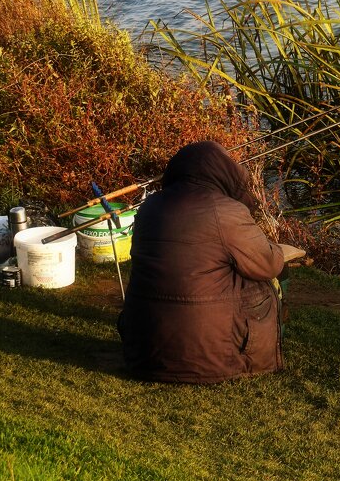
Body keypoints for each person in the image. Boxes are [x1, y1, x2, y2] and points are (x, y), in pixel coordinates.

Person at [117, 140, 291, 384]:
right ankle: (266, 346)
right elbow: (268, 264)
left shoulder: (149, 207)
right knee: (276, 275)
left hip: (143, 356)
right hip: (213, 361)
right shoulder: (227, 212)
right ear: (224, 173)